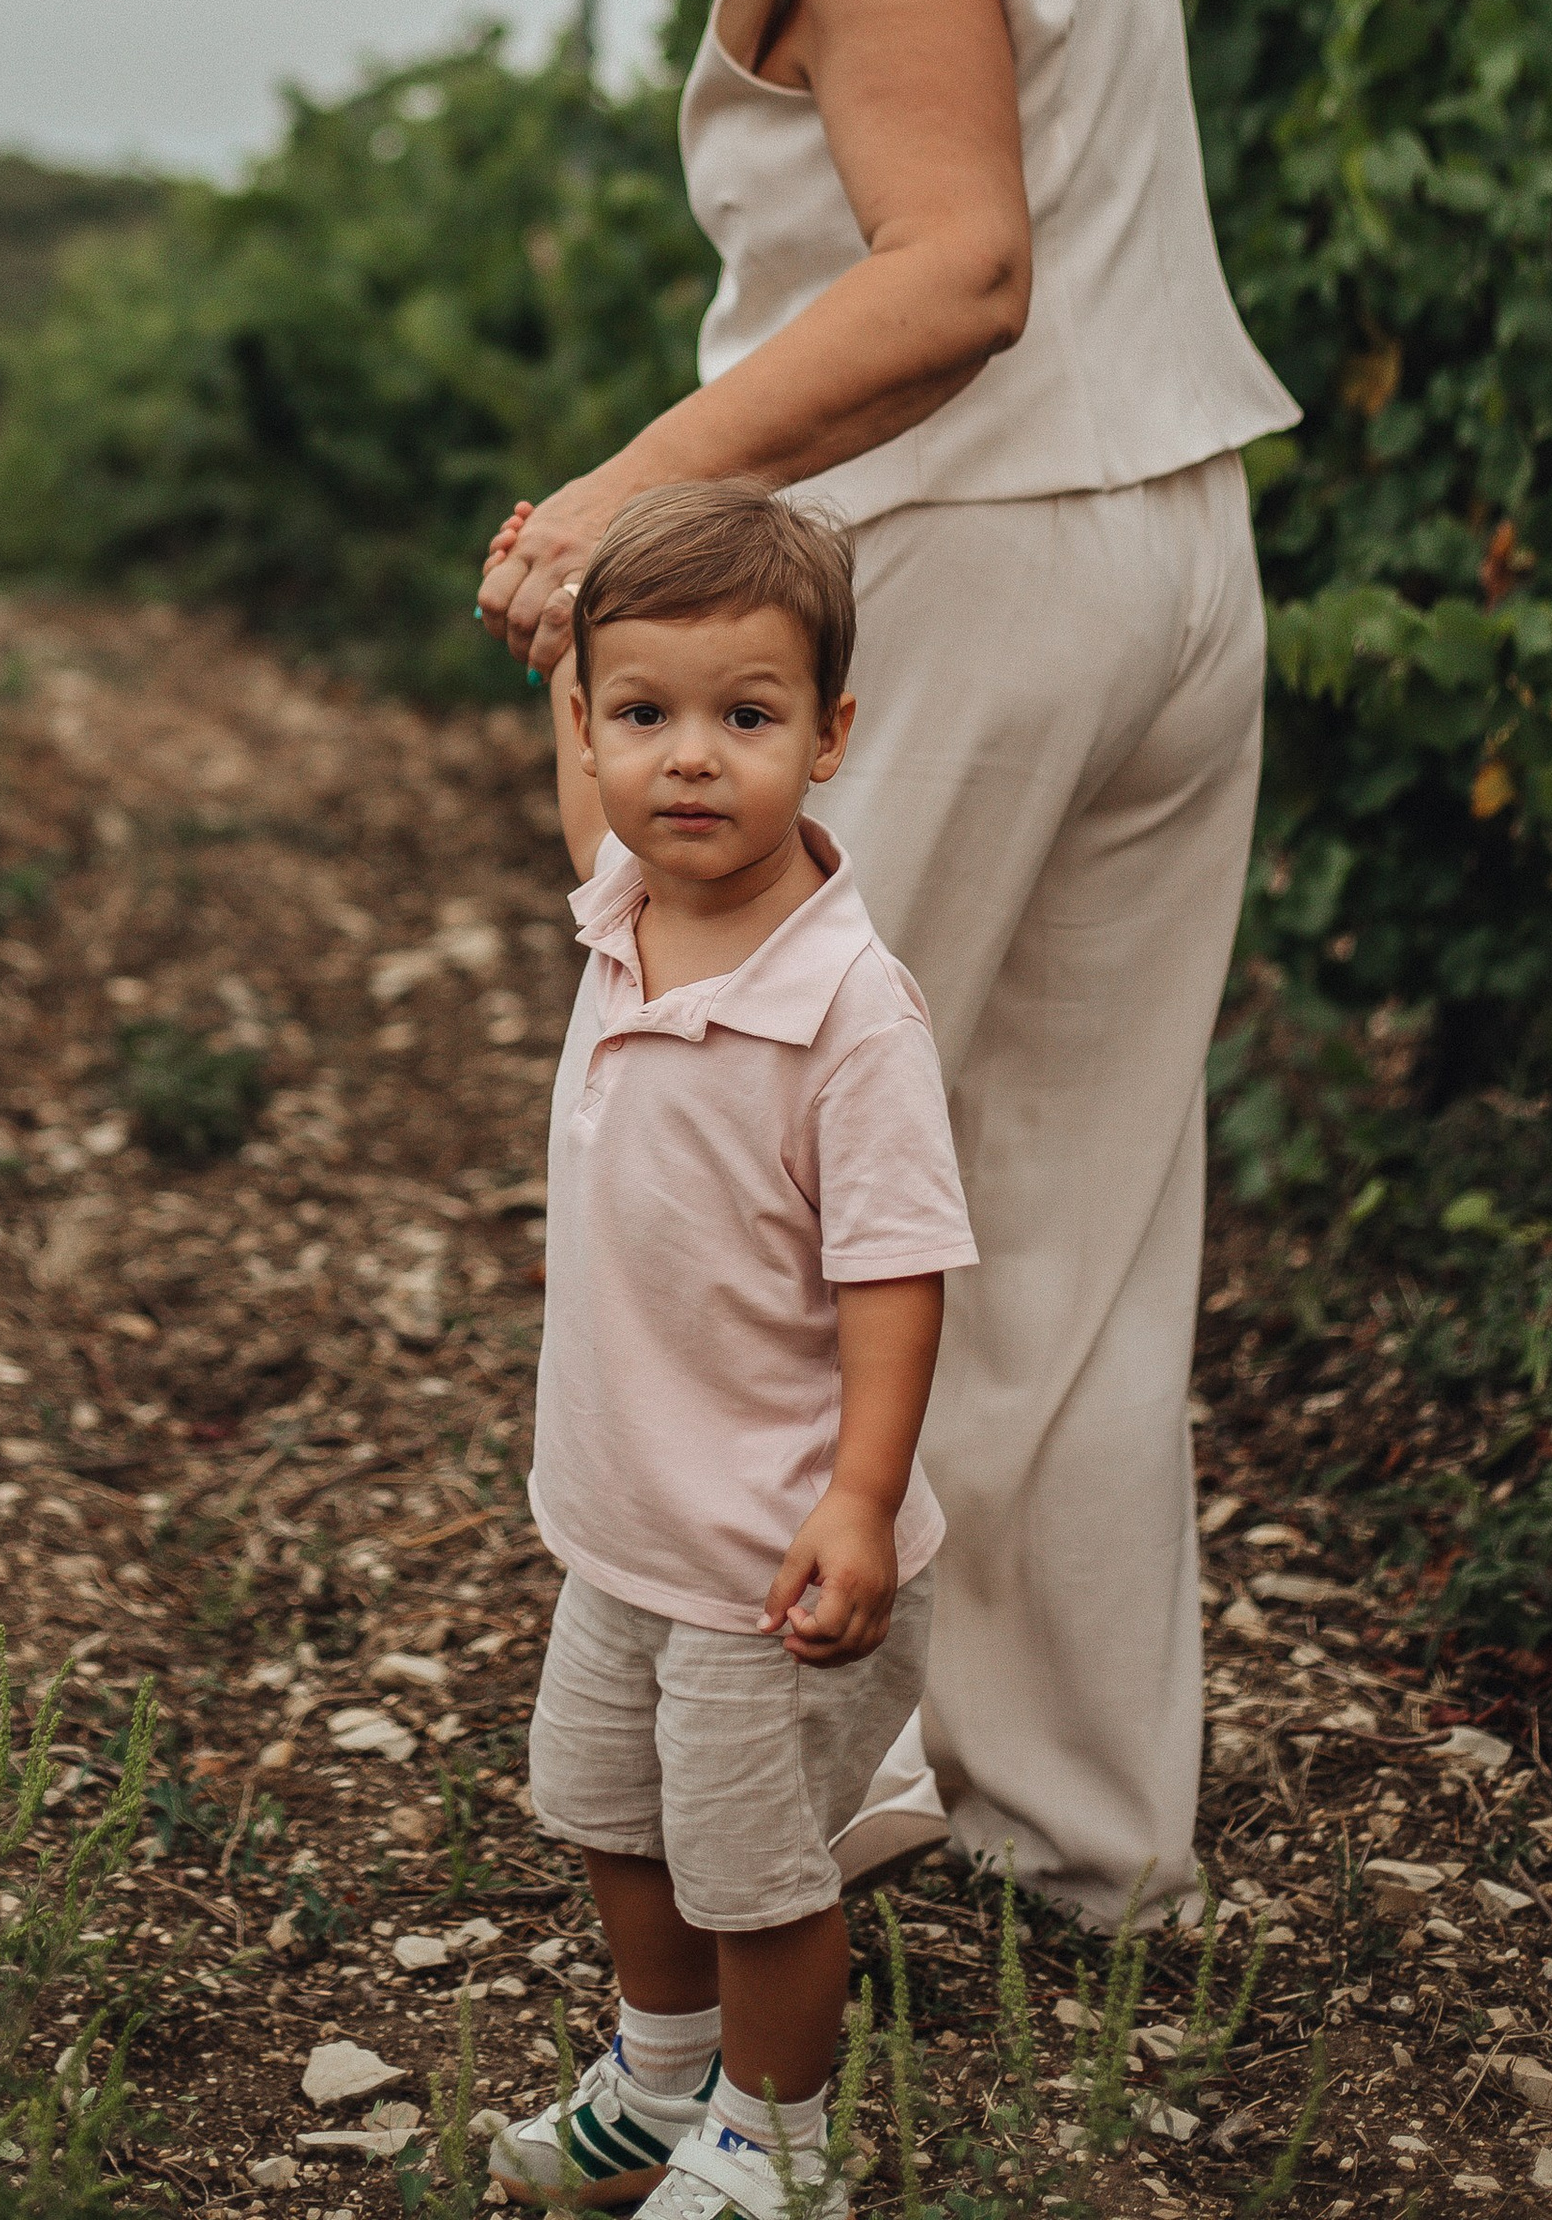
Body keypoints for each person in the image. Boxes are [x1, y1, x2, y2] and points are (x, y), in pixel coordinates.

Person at [474, 0, 1298, 1929]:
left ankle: (772, 1836)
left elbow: (956, 278)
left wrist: (624, 493)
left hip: (963, 557)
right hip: (1169, 558)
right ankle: (1078, 1834)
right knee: (1060, 1204)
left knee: (770, 1194)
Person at [489, 481, 975, 2220]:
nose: (688, 761)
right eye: (646, 717)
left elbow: (899, 1276)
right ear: (594, 727)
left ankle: (778, 2147)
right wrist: (557, 613)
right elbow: (586, 769)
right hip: (625, 1521)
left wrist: (863, 1497)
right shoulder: (622, 910)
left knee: (757, 1874)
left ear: (830, 735)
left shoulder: (848, 1013)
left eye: (745, 718)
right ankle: (661, 2081)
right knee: (612, 1819)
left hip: (773, 1549)